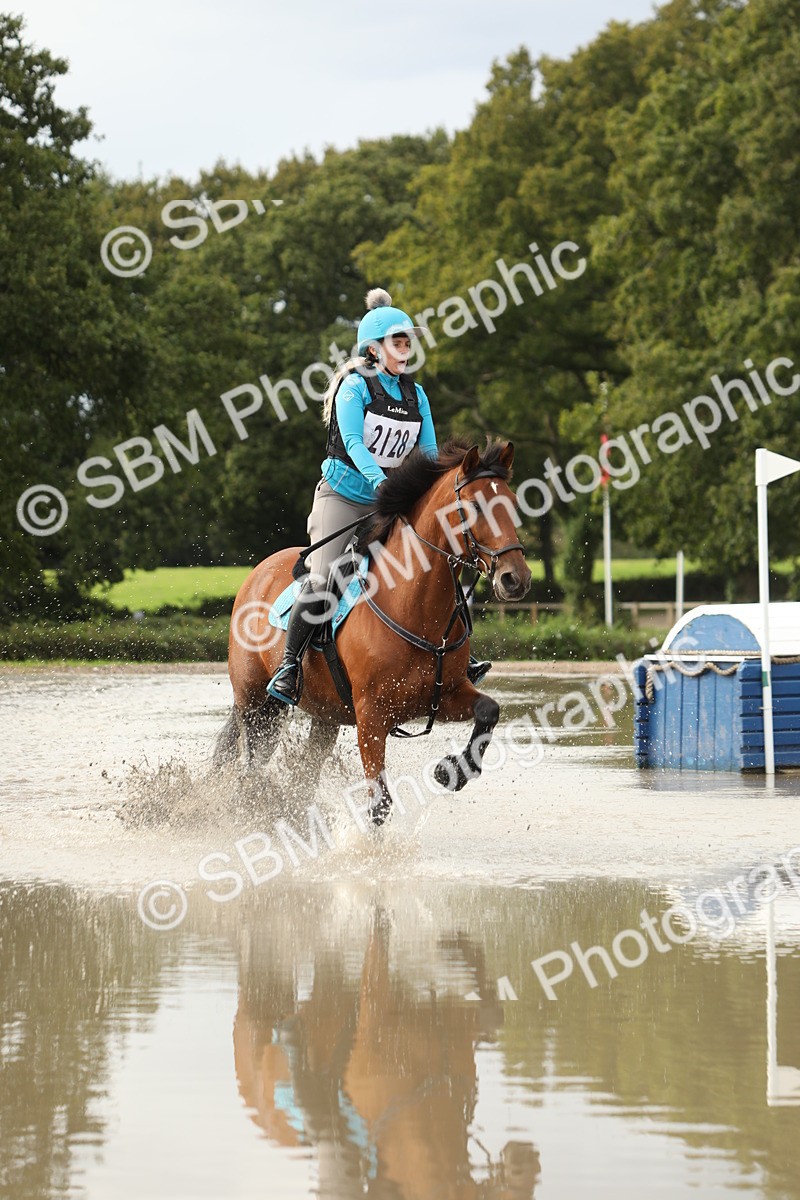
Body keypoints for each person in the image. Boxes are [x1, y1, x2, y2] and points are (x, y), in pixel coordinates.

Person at [266, 288, 490, 706]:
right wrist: (381, 483)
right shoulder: (354, 388)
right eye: (398, 342)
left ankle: (460, 654)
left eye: (408, 342)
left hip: (387, 502)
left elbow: (426, 455)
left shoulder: (415, 395)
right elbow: (352, 441)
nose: (405, 349)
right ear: (374, 348)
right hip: (343, 496)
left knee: (433, 563)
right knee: (326, 575)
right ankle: (290, 665)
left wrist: (426, 496)